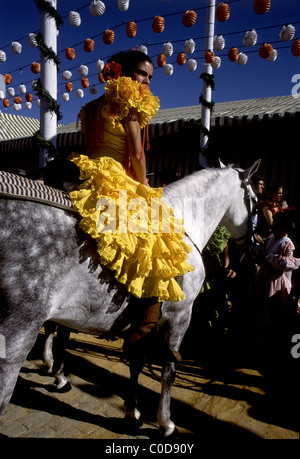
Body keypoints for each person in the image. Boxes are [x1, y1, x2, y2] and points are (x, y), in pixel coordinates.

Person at [68, 50, 193, 360]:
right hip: (117, 175)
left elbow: (93, 145)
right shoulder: (129, 99)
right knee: (159, 240)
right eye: (141, 74)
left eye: (149, 76)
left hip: (90, 171)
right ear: (122, 72)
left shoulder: (94, 106)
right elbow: (137, 154)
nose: (146, 81)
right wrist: (145, 185)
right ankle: (145, 326)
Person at [255, 211, 300, 333]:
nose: (273, 228)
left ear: (285, 229)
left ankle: (272, 331)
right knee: (261, 302)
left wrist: (272, 259)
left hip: (276, 281)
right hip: (265, 277)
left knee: (272, 308)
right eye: (273, 224)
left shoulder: (286, 243)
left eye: (276, 226)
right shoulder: (271, 237)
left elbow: (287, 264)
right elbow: (263, 247)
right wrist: (259, 250)